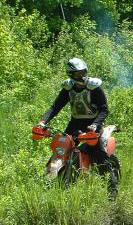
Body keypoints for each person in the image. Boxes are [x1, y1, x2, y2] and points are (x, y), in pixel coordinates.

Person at [36, 57, 118, 195]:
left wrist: (96, 124)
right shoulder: (68, 88)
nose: (82, 76)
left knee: (100, 155)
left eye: (83, 72)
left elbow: (104, 109)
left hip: (93, 125)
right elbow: (55, 107)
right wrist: (43, 121)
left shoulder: (94, 87)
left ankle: (112, 190)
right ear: (71, 75)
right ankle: (50, 181)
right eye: (78, 74)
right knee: (60, 150)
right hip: (75, 124)